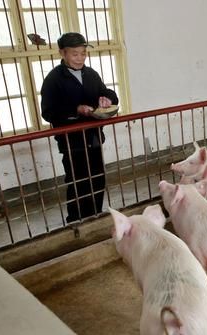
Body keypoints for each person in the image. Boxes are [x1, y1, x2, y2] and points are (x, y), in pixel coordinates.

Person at [41, 32, 119, 223]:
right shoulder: (53, 79)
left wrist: (107, 97)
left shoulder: (90, 74)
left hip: (93, 137)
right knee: (78, 180)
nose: (80, 58)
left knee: (98, 177)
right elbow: (48, 112)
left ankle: (95, 214)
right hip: (71, 141)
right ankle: (76, 220)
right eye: (75, 54)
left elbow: (106, 92)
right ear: (62, 53)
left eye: (83, 53)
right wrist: (76, 110)